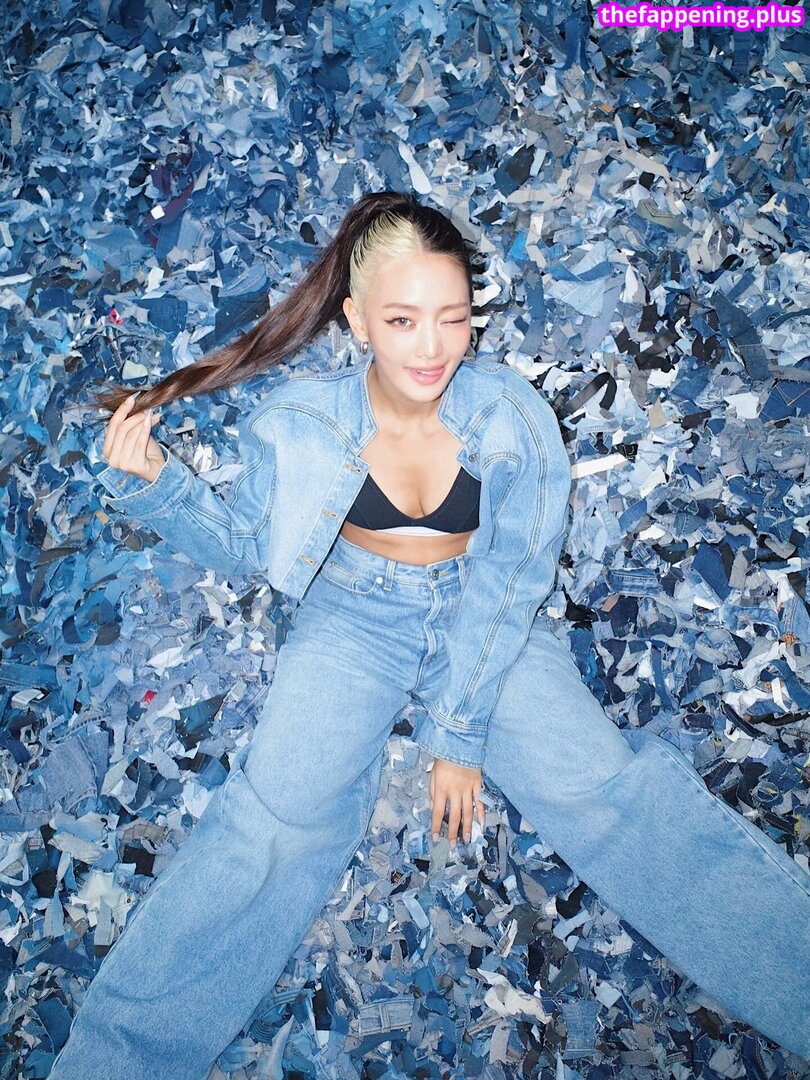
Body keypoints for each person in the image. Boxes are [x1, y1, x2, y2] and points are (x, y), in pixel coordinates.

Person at [49, 191, 810, 1079]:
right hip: (349, 620)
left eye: (454, 317)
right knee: (272, 824)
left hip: (483, 616)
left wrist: (458, 730)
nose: (433, 347)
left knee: (603, 790)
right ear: (355, 318)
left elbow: (512, 579)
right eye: (403, 320)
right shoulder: (296, 422)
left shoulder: (513, 417)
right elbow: (247, 548)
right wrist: (158, 484)